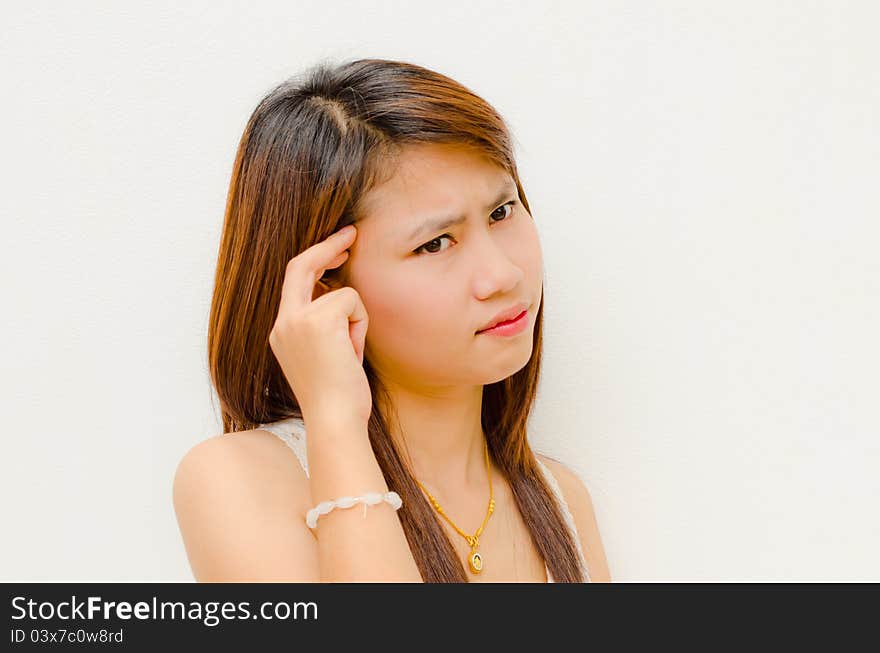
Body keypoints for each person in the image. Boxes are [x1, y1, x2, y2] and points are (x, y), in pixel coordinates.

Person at [173, 58, 611, 583]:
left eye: (502, 212)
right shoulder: (239, 481)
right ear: (325, 288)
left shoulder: (560, 502)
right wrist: (334, 421)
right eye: (435, 243)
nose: (502, 272)